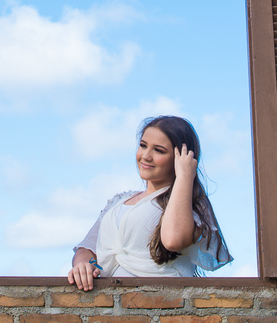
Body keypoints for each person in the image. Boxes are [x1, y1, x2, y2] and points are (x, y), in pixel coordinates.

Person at [67, 115, 232, 290]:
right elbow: (87, 248)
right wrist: (84, 265)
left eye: (159, 150)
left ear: (180, 158)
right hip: (110, 306)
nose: (146, 156)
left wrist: (185, 176)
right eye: (143, 145)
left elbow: (173, 240)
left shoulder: (190, 204)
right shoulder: (119, 201)